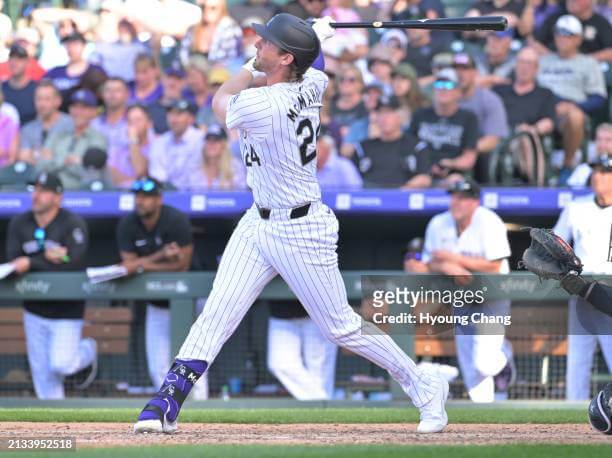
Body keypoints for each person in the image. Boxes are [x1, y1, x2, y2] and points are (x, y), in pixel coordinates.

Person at [134, 13, 448, 435]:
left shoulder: (266, 103)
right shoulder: (312, 83)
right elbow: (311, 69)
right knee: (216, 315)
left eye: (265, 44)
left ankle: (424, 385)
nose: (256, 46)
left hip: (301, 228)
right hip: (258, 220)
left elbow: (218, 100)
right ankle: (167, 400)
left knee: (341, 328)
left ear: (285, 58)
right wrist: (312, 38)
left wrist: (280, 52)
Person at [406, 178, 515, 402]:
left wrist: (454, 259)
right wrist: (447, 265)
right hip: (462, 295)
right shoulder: (438, 223)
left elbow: (494, 265)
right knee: (468, 361)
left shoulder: (489, 221)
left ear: (475, 201)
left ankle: (505, 354)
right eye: (454, 197)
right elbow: (430, 262)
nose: (456, 202)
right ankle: (483, 413)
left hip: (492, 293)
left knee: (484, 362)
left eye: (463, 198)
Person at [6, 171, 95, 399]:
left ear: (58, 197)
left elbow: (74, 260)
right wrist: (47, 257)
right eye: (35, 189)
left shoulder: (72, 223)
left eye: (43, 191)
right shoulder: (20, 222)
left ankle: (88, 350)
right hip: (34, 308)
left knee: (62, 364)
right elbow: (14, 260)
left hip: (67, 310)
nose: (37, 195)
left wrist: (34, 261)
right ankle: (54, 427)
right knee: (43, 378)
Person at [117, 176, 207, 398]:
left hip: (187, 302)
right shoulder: (128, 224)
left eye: (146, 197)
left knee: (191, 362)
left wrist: (141, 266)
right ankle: (171, 409)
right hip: (156, 304)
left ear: (158, 199)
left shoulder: (175, 220)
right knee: (158, 365)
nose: (140, 201)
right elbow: (126, 266)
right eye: (138, 196)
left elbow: (181, 266)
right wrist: (160, 256)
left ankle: (203, 413)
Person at [553, 154, 612, 400]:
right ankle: (571, 420)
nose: (597, 176)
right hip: (582, 291)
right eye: (596, 171)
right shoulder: (576, 207)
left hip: (610, 291)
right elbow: (555, 244)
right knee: (577, 362)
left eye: (605, 171)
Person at [537, 15, 607, 179]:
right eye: (559, 33)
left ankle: (567, 166)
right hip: (541, 109)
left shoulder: (588, 63)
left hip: (570, 111)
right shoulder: (543, 60)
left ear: (578, 39)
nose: (562, 38)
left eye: (568, 34)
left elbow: (599, 98)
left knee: (575, 117)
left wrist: (573, 106)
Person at [408, 68, 479, 185]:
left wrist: (449, 164)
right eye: (439, 84)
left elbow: (469, 159)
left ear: (458, 91)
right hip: (419, 171)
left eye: (449, 85)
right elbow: (408, 148)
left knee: (455, 181)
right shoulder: (420, 115)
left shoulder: (468, 118)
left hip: (452, 173)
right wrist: (426, 167)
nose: (443, 89)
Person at [352, 95, 431, 188]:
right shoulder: (362, 148)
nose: (384, 117)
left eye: (389, 112)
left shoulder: (417, 147)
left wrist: (399, 194)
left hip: (403, 199)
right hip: (368, 199)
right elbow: (350, 180)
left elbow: (425, 178)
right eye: (380, 113)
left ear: (400, 116)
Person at [453, 52, 509, 183]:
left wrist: (465, 150)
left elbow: (492, 140)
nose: (460, 73)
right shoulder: (443, 97)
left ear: (475, 72)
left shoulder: (489, 100)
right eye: (456, 69)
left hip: (476, 156)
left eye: (465, 69)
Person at [267, 299, 338, 400]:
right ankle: (325, 405)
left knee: (319, 372)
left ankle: (321, 409)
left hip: (318, 312)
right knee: (279, 364)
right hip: (281, 311)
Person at [39, 89, 107, 189]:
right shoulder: (58, 135)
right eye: (74, 107)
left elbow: (92, 175)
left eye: (84, 108)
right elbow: (40, 166)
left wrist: (54, 161)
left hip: (81, 193)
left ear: (93, 111)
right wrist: (68, 161)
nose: (78, 112)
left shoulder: (98, 139)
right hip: (51, 189)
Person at [148, 99, 204, 190]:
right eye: (170, 114)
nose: (174, 119)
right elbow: (157, 175)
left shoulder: (201, 140)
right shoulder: (159, 143)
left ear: (191, 119)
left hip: (196, 193)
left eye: (179, 114)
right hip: (166, 195)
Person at [45, 32, 107, 112]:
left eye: (75, 44)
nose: (71, 48)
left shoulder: (96, 70)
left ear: (84, 46)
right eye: (68, 45)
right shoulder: (55, 72)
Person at [534, 0, 612, 62]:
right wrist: (553, 58)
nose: (571, 1)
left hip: (586, 68)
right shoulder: (556, 17)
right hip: (553, 66)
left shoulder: (600, 23)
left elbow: (610, 51)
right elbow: (534, 42)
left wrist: (585, 60)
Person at [19, 81, 73, 164]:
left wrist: (36, 154)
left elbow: (69, 158)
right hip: (34, 176)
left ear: (58, 101)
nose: (42, 104)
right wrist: (52, 157)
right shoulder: (28, 129)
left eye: (47, 99)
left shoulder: (70, 124)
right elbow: (24, 157)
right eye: (39, 99)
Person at [179, 0, 243, 65]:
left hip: (219, 73)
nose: (207, 11)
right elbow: (182, 58)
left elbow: (230, 61)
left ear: (221, 9)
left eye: (213, 8)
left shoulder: (231, 29)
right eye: (203, 7)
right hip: (191, 72)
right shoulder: (192, 30)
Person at [107, 103, 154, 189]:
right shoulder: (119, 147)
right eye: (130, 121)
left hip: (145, 195)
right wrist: (134, 182)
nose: (133, 125)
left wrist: (133, 140)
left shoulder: (156, 146)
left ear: (149, 123)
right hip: (117, 194)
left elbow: (140, 171)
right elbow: (112, 176)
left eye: (138, 120)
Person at [186, 124, 245, 190]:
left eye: (216, 140)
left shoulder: (235, 167)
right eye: (208, 140)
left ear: (224, 145)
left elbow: (241, 195)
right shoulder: (195, 167)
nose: (211, 144)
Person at [91, 78, 129, 153]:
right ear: (102, 95)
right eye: (108, 90)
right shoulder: (94, 124)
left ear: (127, 94)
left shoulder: (135, 122)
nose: (112, 94)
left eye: (117, 90)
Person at [1, 44, 37, 125]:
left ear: (27, 62)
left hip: (29, 135)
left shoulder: (36, 89)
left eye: (19, 58)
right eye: (12, 58)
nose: (14, 62)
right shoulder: (1, 88)